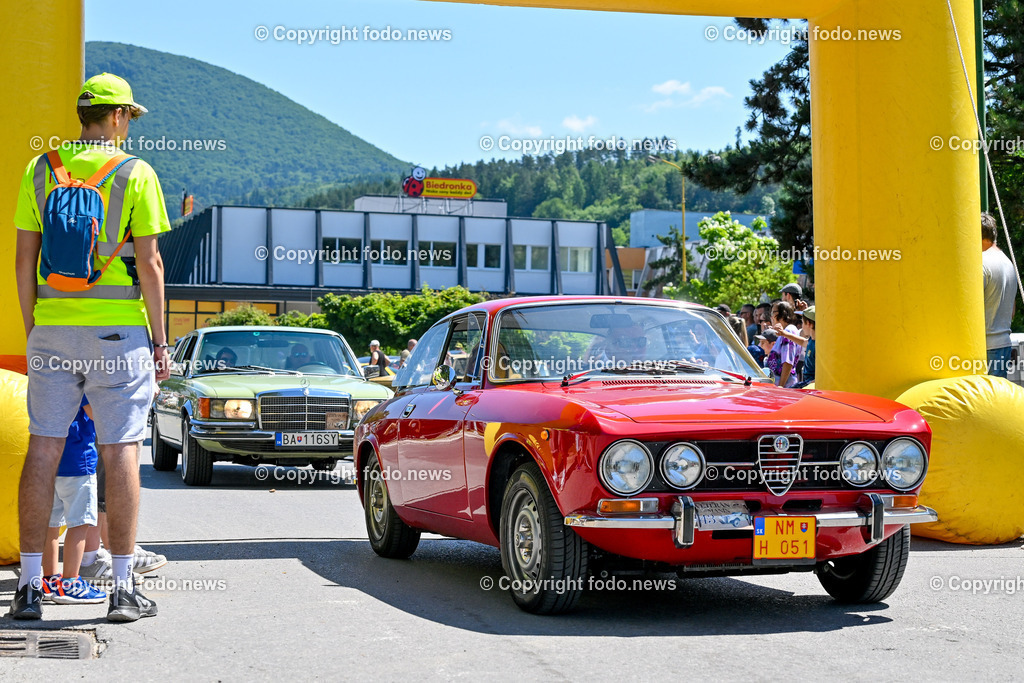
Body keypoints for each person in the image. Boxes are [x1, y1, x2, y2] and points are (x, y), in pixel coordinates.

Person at [10, 73, 170, 622]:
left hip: (52, 329)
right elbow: (148, 264)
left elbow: (23, 262)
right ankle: (122, 587)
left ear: (83, 115)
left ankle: (31, 585)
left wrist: (37, 327)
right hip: (117, 335)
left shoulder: (40, 170)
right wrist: (161, 340)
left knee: (44, 448)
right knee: (120, 449)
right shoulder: (135, 172)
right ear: (120, 117)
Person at [41, 397, 106, 604]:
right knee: (79, 524)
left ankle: (50, 580)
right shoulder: (82, 382)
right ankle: (70, 582)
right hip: (78, 462)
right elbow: (98, 415)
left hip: (47, 461)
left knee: (50, 525)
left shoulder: (48, 377)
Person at [981, 213, 1017, 378]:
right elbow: (1012, 311)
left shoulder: (980, 262)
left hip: (984, 347)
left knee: (981, 402)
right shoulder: (1007, 262)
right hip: (1004, 342)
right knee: (995, 401)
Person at [775, 306, 816, 388]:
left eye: (802, 322)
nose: (801, 326)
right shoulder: (812, 340)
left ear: (809, 324)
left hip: (811, 384)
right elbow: (803, 342)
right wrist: (784, 333)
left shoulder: (819, 345)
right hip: (807, 381)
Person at [767, 301, 802, 387]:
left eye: (773, 312)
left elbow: (788, 361)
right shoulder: (784, 332)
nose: (771, 316)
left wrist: (781, 386)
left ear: (783, 314)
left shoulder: (789, 331)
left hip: (785, 386)